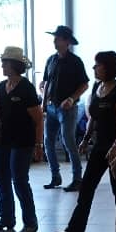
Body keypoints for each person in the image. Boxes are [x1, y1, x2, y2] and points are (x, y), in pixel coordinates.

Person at [55, 51, 116, 232]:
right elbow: (94, 118)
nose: (94, 68)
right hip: (99, 147)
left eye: (98, 65)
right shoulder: (98, 88)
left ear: (108, 67)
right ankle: (74, 229)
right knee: (87, 187)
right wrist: (86, 138)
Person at [0, 46, 42, 232]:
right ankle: (7, 219)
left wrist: (38, 144)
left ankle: (30, 223)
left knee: (19, 180)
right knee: (1, 179)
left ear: (13, 64)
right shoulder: (2, 86)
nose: (2, 65)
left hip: (22, 141)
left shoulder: (26, 88)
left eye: (5, 62)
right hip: (3, 140)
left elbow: (38, 118)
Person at [40, 26, 89, 191]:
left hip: (68, 108)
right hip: (51, 106)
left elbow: (84, 84)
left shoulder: (75, 61)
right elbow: (46, 82)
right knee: (48, 142)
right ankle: (55, 176)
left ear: (67, 41)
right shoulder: (51, 60)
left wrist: (71, 98)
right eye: (55, 38)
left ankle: (77, 178)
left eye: (58, 38)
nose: (55, 40)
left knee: (69, 141)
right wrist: (43, 103)